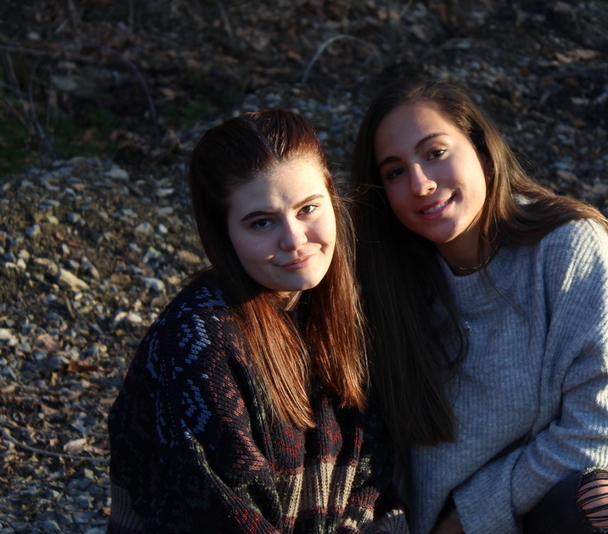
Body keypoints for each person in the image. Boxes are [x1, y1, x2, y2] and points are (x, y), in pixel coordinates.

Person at [349, 78, 608, 534]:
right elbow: (373, 459)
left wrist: (467, 518)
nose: (421, 184)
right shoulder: (385, 286)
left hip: (538, 511)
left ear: (484, 154)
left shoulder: (566, 246)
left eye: (435, 153)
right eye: (394, 172)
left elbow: (604, 427)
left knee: (602, 505)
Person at [107, 109, 409, 533]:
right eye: (262, 222)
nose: (294, 239)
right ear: (223, 233)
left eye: (308, 208)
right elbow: (222, 519)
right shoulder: (197, 344)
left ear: (332, 197)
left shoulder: (345, 310)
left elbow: (371, 488)